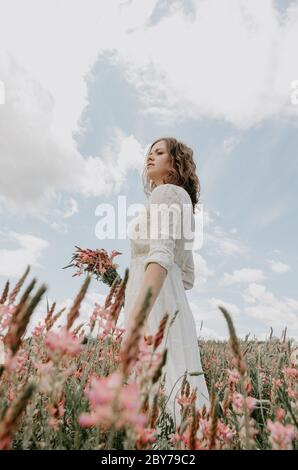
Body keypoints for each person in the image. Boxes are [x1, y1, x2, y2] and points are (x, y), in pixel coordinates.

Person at [122, 137, 210, 426]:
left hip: (152, 305)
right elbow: (185, 276)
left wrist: (136, 320)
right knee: (176, 382)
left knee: (153, 388)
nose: (149, 157)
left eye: (159, 152)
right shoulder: (181, 201)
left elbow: (160, 256)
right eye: (149, 153)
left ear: (176, 162)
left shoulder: (166, 194)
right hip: (170, 303)